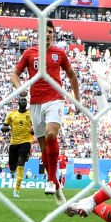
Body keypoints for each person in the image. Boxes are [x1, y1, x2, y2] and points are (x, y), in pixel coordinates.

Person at [9, 20, 80, 204]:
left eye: (50, 31)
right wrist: (20, 88)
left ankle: (50, 180)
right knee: (43, 148)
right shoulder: (29, 53)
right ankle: (56, 186)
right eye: (44, 31)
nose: (47, 34)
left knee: (50, 134)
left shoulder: (59, 53)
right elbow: (14, 74)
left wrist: (77, 99)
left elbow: (72, 76)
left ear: (53, 34)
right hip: (35, 103)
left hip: (55, 100)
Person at [2, 98, 34, 198]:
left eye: (25, 101)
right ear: (18, 103)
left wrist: (34, 131)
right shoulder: (12, 114)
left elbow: (37, 126)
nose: (23, 102)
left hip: (26, 142)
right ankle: (15, 170)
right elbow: (4, 126)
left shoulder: (31, 114)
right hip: (14, 143)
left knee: (21, 163)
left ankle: (16, 190)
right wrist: (5, 128)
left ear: (26, 104)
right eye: (22, 101)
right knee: (12, 168)